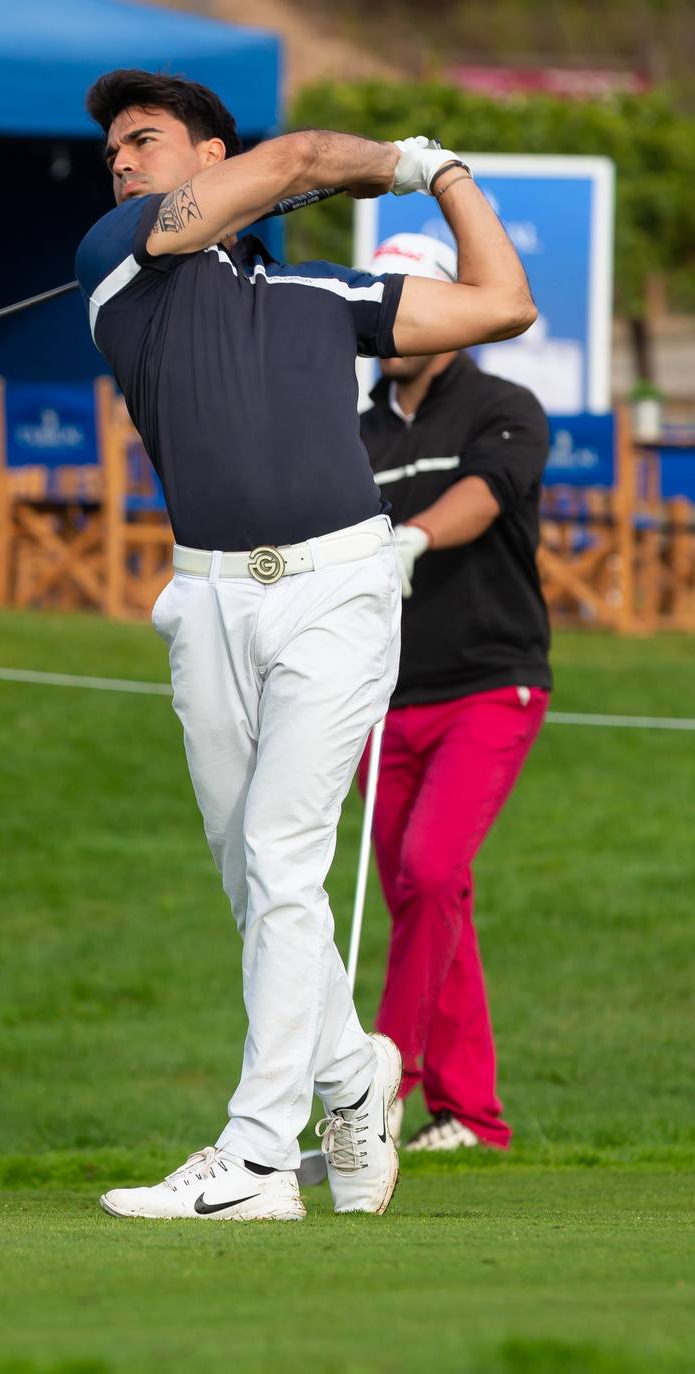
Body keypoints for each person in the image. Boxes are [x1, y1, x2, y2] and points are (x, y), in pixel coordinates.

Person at [73, 71, 537, 1220]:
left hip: (337, 591)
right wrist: (394, 160)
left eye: (145, 143)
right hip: (207, 603)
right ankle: (355, 1073)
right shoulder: (115, 260)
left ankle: (258, 1158)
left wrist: (447, 176)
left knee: (283, 861)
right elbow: (291, 166)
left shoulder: (326, 294)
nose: (122, 164)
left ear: (207, 153)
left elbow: (501, 303)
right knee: (254, 885)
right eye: (113, 151)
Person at [358, 232, 551, 1154]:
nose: (394, 319)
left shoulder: (502, 405)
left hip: (488, 681)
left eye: (410, 299)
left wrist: (414, 537)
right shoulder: (353, 427)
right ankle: (471, 1117)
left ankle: (385, 1086)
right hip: (379, 697)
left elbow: (485, 494)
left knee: (430, 873)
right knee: (429, 897)